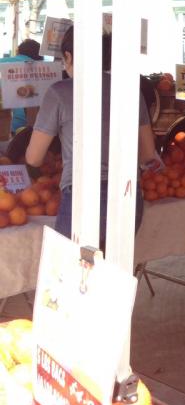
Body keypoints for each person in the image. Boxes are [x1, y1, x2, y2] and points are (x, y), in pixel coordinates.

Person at [25, 26, 157, 250]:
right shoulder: (129, 91)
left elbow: (34, 158)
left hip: (83, 201)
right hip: (128, 197)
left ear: (68, 56)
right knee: (114, 273)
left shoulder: (60, 92)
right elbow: (147, 154)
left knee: (72, 278)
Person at [0, 39, 44, 133]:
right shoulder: (44, 70)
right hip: (29, 128)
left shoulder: (2, 62)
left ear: (18, 51)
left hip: (4, 125)